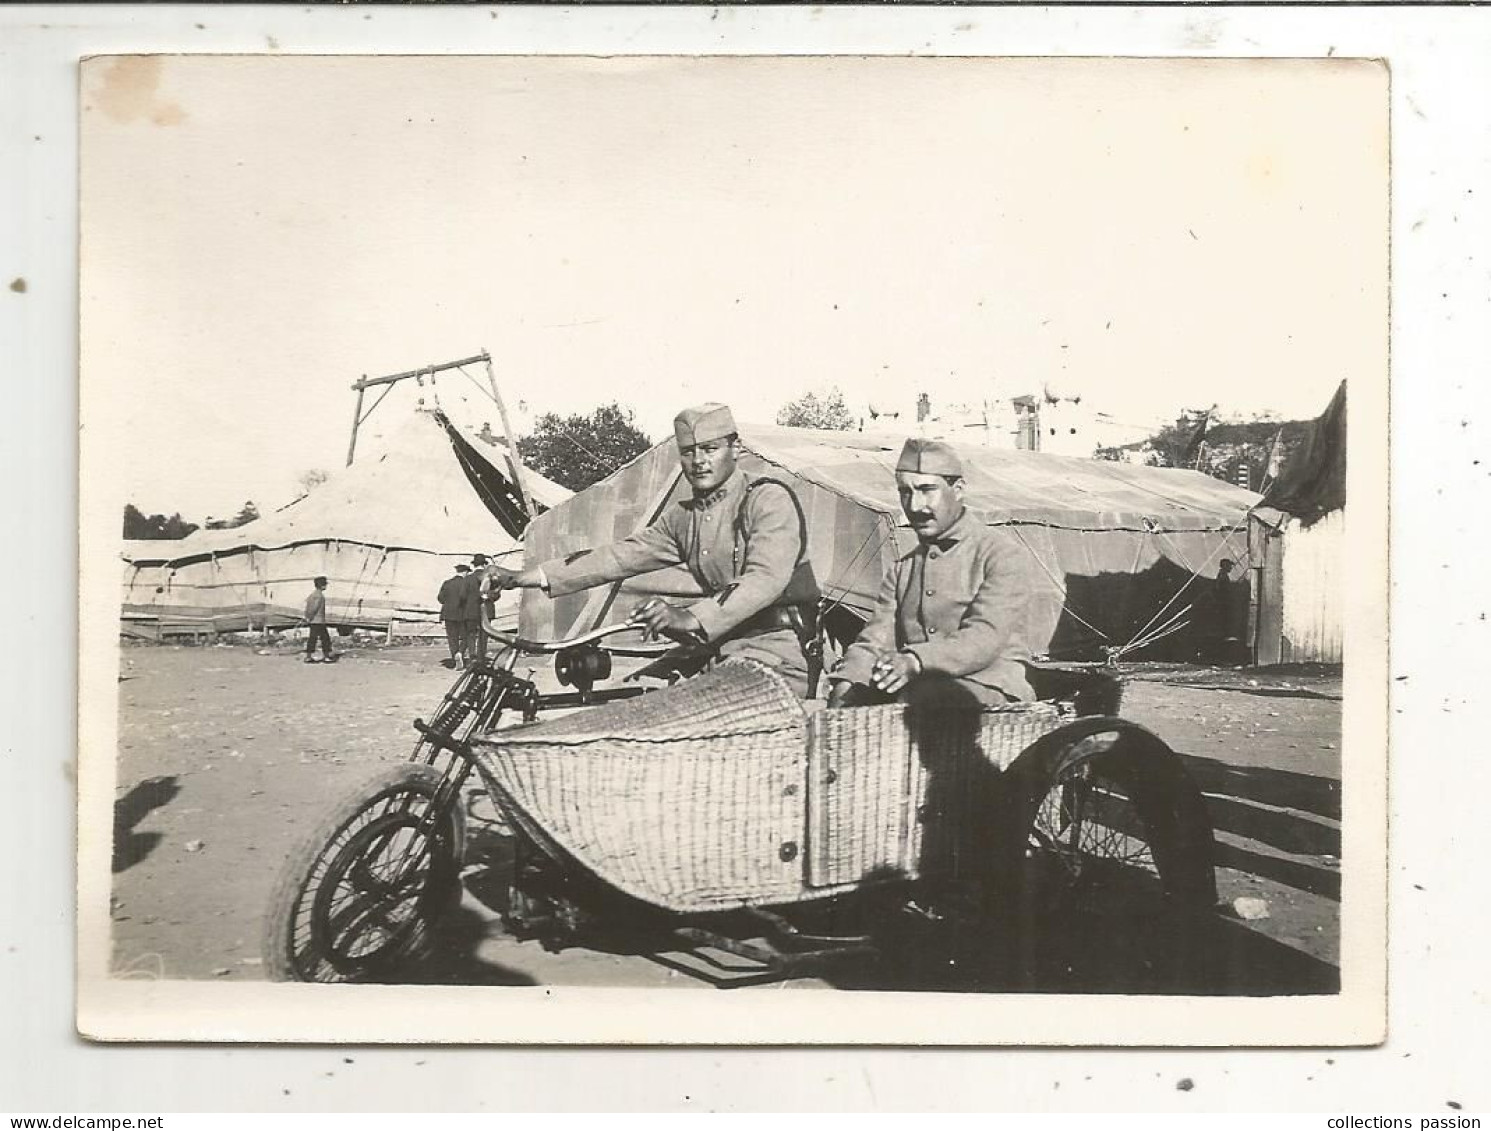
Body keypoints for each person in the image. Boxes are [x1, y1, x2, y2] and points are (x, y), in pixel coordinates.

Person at [484, 403, 822, 697]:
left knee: (682, 720)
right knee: (628, 698)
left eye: (710, 448)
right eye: (688, 451)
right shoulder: (683, 518)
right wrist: (520, 578)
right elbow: (618, 556)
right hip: (716, 646)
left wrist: (689, 617)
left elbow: (764, 578)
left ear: (735, 448)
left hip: (779, 647)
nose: (699, 461)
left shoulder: (767, 499)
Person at [827, 438, 1035, 708]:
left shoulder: (1000, 554)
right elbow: (874, 640)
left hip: (992, 685)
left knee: (924, 701)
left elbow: (985, 637)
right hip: (920, 690)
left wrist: (915, 660)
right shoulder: (903, 569)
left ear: (958, 489)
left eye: (927, 490)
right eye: (905, 492)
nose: (915, 506)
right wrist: (849, 681)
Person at [437, 563, 470, 669]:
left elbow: (440, 599)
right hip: (462, 614)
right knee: (466, 636)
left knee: (452, 638)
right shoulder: (467, 583)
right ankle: (460, 652)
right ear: (465, 572)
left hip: (448, 614)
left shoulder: (447, 583)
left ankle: (455, 658)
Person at [462, 554, 491, 665]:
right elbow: (497, 594)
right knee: (484, 635)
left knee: (471, 634)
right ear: (484, 565)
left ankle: (472, 657)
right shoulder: (490, 577)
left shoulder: (468, 578)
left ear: (474, 565)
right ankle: (481, 658)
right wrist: (487, 597)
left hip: (471, 610)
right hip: (487, 610)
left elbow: (462, 596)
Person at [303, 575, 335, 664]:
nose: (326, 586)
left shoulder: (312, 595)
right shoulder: (319, 596)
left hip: (313, 621)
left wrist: (307, 617)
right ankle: (326, 657)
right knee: (325, 639)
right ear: (322, 585)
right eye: (325, 584)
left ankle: (308, 657)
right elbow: (314, 608)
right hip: (318, 621)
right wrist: (310, 616)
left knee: (312, 638)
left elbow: (308, 607)